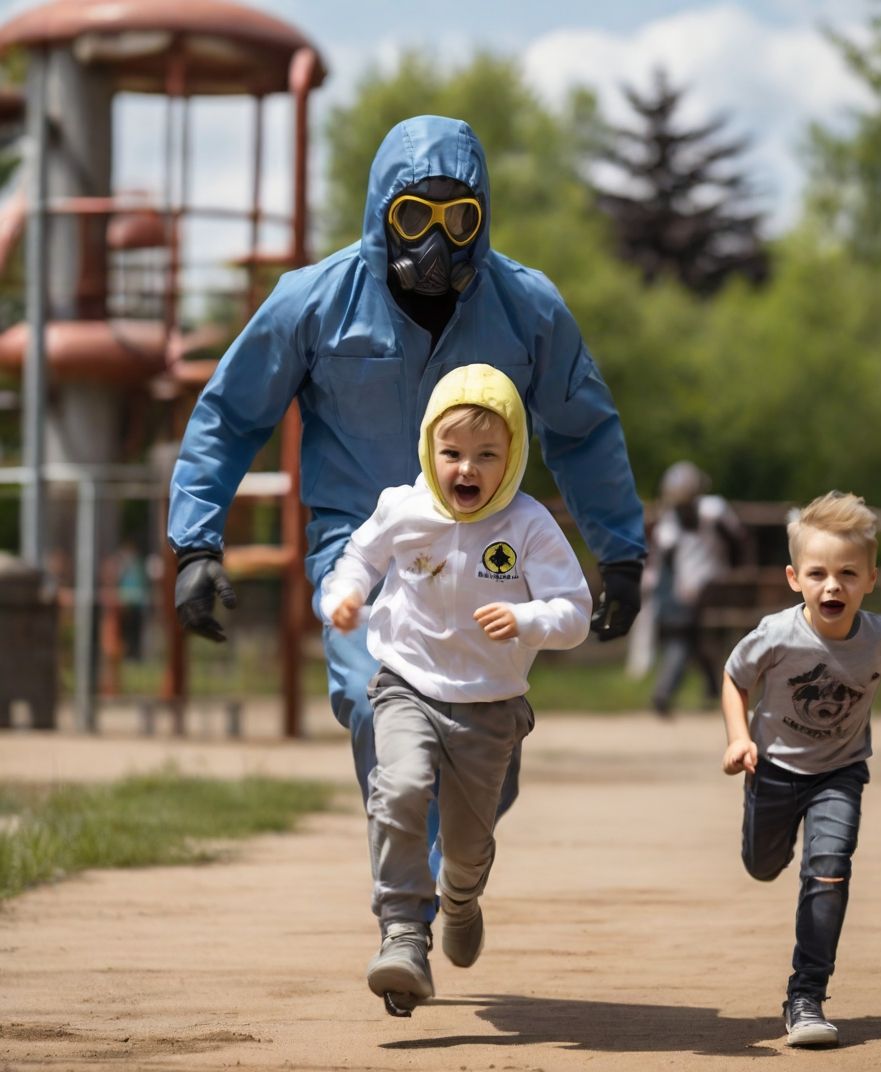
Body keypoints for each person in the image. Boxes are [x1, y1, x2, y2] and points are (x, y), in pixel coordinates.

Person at [167, 114, 645, 823]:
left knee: (482, 751)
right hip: (360, 545)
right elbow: (231, 415)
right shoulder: (313, 302)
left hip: (486, 552)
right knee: (376, 705)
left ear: (482, 221)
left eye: (460, 219)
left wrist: (621, 554)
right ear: (382, 212)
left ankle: (455, 870)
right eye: (416, 214)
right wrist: (196, 543)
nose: (435, 239)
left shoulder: (527, 309)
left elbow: (583, 431)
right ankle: (406, 920)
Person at [321, 364, 592, 1015]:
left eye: (486, 455)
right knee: (402, 788)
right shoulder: (403, 508)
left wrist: (527, 619)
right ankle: (403, 932)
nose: (466, 468)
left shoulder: (528, 526)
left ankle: (461, 897)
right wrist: (346, 592)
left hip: (489, 706)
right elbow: (359, 556)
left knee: (467, 848)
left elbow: (575, 611)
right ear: (429, 451)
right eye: (452, 453)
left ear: (513, 458)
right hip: (405, 685)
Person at [720, 490, 881, 1048]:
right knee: (763, 864)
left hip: (840, 772)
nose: (832, 586)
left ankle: (806, 996)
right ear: (795, 578)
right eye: (818, 573)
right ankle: (763, 831)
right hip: (772, 769)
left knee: (829, 868)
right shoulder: (776, 634)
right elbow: (734, 677)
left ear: (871, 578)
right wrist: (739, 738)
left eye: (848, 573)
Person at [633, 461, 744, 715]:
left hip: (712, 585)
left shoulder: (712, 512)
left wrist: (734, 573)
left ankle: (710, 688)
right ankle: (677, 691)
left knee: (694, 639)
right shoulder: (670, 523)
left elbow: (737, 542)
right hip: (682, 591)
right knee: (685, 639)